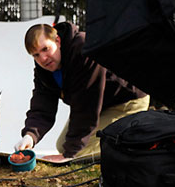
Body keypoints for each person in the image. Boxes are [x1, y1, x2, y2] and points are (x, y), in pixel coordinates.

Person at [15, 22, 150, 163]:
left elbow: (86, 106)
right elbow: (42, 106)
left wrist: (70, 154)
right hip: (100, 105)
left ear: (57, 41)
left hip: (127, 101)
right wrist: (30, 136)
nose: (43, 58)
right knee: (62, 146)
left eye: (45, 49)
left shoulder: (83, 49)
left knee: (79, 154)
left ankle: (138, 139)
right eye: (36, 55)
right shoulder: (43, 69)